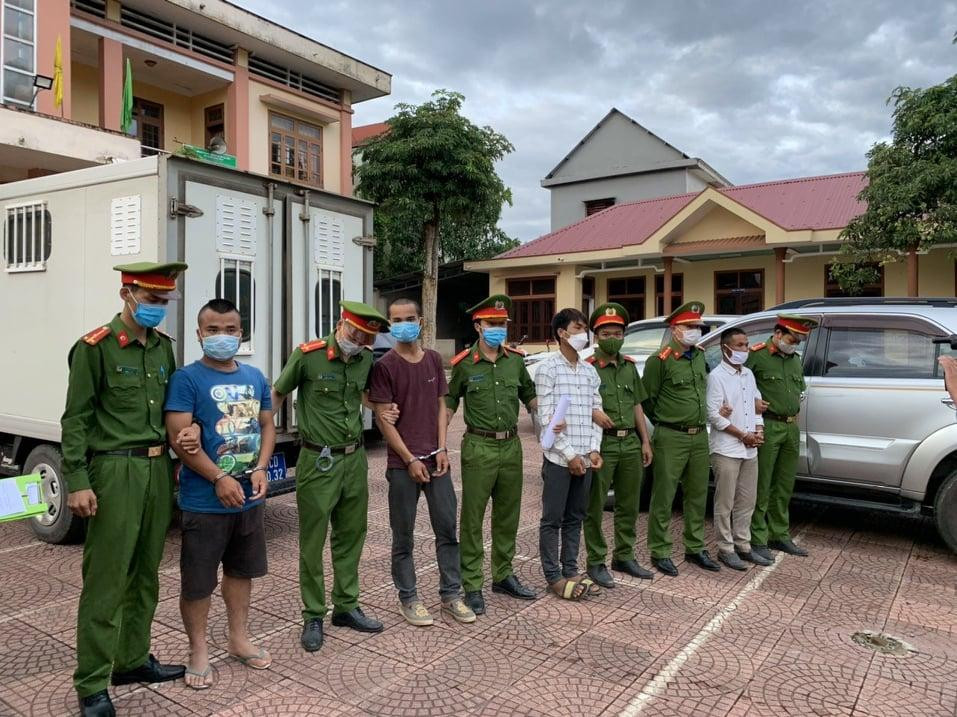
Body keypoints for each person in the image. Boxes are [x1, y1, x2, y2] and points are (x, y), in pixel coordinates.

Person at [62, 262, 199, 717]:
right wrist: (77, 480)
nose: (159, 309)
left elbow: (172, 413)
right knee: (106, 578)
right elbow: (76, 419)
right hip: (115, 471)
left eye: (165, 302)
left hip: (158, 470)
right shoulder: (94, 348)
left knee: (145, 574)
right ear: (128, 294)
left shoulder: (164, 350)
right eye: (152, 300)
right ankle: (92, 681)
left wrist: (187, 441)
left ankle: (132, 659)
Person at [164, 299, 276, 689]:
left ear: (241, 333)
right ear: (199, 335)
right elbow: (180, 441)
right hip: (204, 500)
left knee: (241, 571)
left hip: (249, 498)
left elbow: (266, 426)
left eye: (230, 330)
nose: (222, 337)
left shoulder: (255, 377)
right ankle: (197, 650)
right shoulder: (186, 379)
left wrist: (261, 467)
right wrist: (217, 479)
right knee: (197, 581)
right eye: (212, 330)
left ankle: (238, 637)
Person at [272, 301, 394, 652]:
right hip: (317, 460)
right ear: (341, 323)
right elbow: (278, 394)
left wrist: (381, 408)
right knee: (313, 541)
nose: (361, 340)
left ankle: (346, 605)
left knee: (352, 535)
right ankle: (313, 613)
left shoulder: (366, 359)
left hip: (354, 459)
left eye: (368, 336)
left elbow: (367, 397)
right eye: (357, 333)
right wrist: (257, 437)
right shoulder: (307, 356)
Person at [369, 298, 476, 626]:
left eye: (409, 318)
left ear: (421, 322)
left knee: (447, 529)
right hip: (403, 465)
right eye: (397, 319)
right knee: (403, 535)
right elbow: (385, 420)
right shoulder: (385, 365)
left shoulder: (432, 360)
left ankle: (451, 595)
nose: (404, 324)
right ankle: (409, 598)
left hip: (437, 461)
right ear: (390, 324)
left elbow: (442, 407)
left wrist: (443, 448)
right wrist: (409, 458)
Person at [446, 295, 538, 615]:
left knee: (507, 515)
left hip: (511, 446)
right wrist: (438, 445)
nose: (498, 329)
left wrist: (552, 425)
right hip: (479, 447)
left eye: (502, 324)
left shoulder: (515, 360)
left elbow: (530, 397)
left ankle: (503, 574)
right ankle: (472, 584)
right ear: (478, 326)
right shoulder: (463, 365)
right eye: (492, 324)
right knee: (473, 519)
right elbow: (447, 406)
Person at [642, 301, 720, 577]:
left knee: (697, 494)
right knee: (664, 495)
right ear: (675, 330)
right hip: (671, 435)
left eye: (698, 327)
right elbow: (647, 400)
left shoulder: (699, 356)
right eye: (690, 327)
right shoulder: (659, 361)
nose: (696, 332)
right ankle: (660, 550)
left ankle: (695, 547)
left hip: (699, 435)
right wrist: (667, 419)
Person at [583, 303, 654, 588]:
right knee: (596, 505)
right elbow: (578, 403)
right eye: (606, 332)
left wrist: (645, 441)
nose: (613, 336)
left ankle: (624, 555)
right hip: (603, 444)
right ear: (596, 336)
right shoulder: (587, 369)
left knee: (629, 504)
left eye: (618, 332)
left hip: (630, 443)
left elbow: (637, 404)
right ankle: (596, 561)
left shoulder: (628, 367)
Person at [536, 308, 605, 600]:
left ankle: (571, 570)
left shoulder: (590, 371)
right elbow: (546, 417)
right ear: (562, 333)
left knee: (576, 516)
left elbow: (596, 412)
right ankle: (553, 576)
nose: (584, 334)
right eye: (578, 328)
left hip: (585, 457)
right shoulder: (548, 368)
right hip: (559, 458)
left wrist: (593, 450)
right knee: (553, 518)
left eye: (585, 328)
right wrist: (570, 455)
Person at [746, 314, 818, 558]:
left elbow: (798, 394)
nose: (795, 344)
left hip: (790, 427)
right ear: (777, 334)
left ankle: (779, 534)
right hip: (767, 425)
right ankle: (757, 537)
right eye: (792, 338)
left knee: (784, 485)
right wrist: (752, 404)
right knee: (762, 484)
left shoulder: (795, 360)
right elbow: (737, 387)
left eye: (799, 341)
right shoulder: (757, 355)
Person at [707, 327, 772, 570]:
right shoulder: (716, 376)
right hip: (727, 448)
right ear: (726, 349)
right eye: (740, 345)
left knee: (747, 500)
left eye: (746, 344)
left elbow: (755, 407)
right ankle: (725, 548)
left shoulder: (748, 375)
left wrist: (758, 431)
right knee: (725, 501)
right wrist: (742, 435)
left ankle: (743, 544)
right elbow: (714, 415)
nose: (746, 349)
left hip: (749, 448)